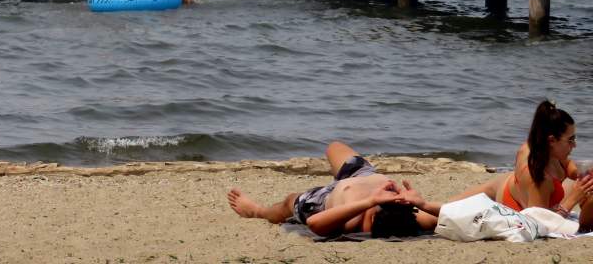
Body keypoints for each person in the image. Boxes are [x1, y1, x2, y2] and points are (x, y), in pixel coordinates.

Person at [227, 141, 440, 237]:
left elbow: (314, 223)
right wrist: (423, 203)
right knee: (334, 147)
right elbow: (454, 211)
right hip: (363, 175)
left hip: (323, 199)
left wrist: (370, 201)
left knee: (289, 202)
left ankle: (255, 211)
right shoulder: (411, 213)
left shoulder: (352, 222)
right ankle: (340, 178)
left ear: (373, 219)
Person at [449, 100, 593, 230]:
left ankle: (428, 206)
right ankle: (425, 207)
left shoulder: (543, 151)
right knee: (445, 216)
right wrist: (573, 199)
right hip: (513, 202)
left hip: (506, 184)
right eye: (570, 139)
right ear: (551, 140)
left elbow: (567, 166)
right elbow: (538, 224)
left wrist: (579, 173)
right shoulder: (541, 179)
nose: (574, 145)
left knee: (449, 207)